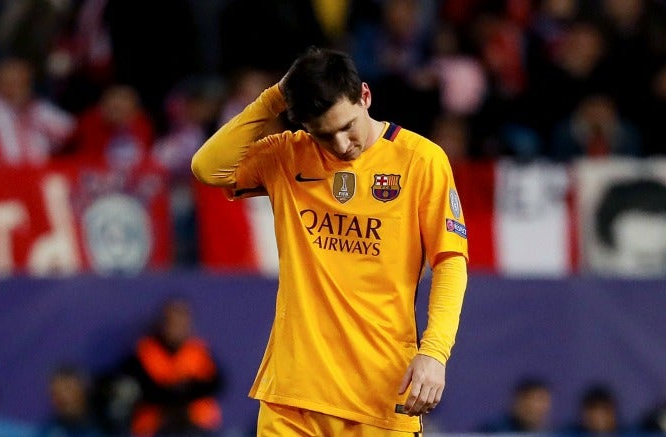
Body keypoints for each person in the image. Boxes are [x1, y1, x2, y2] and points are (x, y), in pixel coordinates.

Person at [192, 47, 469, 436]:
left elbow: (451, 262)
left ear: (365, 97)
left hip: (380, 394)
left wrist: (435, 352)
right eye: (323, 134)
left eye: (347, 126)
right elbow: (208, 168)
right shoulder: (287, 157)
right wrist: (275, 97)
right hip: (293, 396)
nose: (341, 144)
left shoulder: (420, 161)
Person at [123, 298, 223, 436]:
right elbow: (143, 389)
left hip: (196, 425)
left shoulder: (199, 352)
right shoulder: (145, 352)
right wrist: (175, 391)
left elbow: (216, 383)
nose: (177, 328)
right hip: (155, 425)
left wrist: (186, 389)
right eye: (172, 323)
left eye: (182, 322)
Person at [36, 365, 104, 437]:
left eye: (68, 389)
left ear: (83, 390)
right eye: (56, 394)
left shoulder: (106, 426)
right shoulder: (48, 431)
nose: (63, 399)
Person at [480, 377, 553, 433]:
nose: (535, 407)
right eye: (529, 400)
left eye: (541, 401)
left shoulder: (549, 433)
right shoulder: (491, 432)